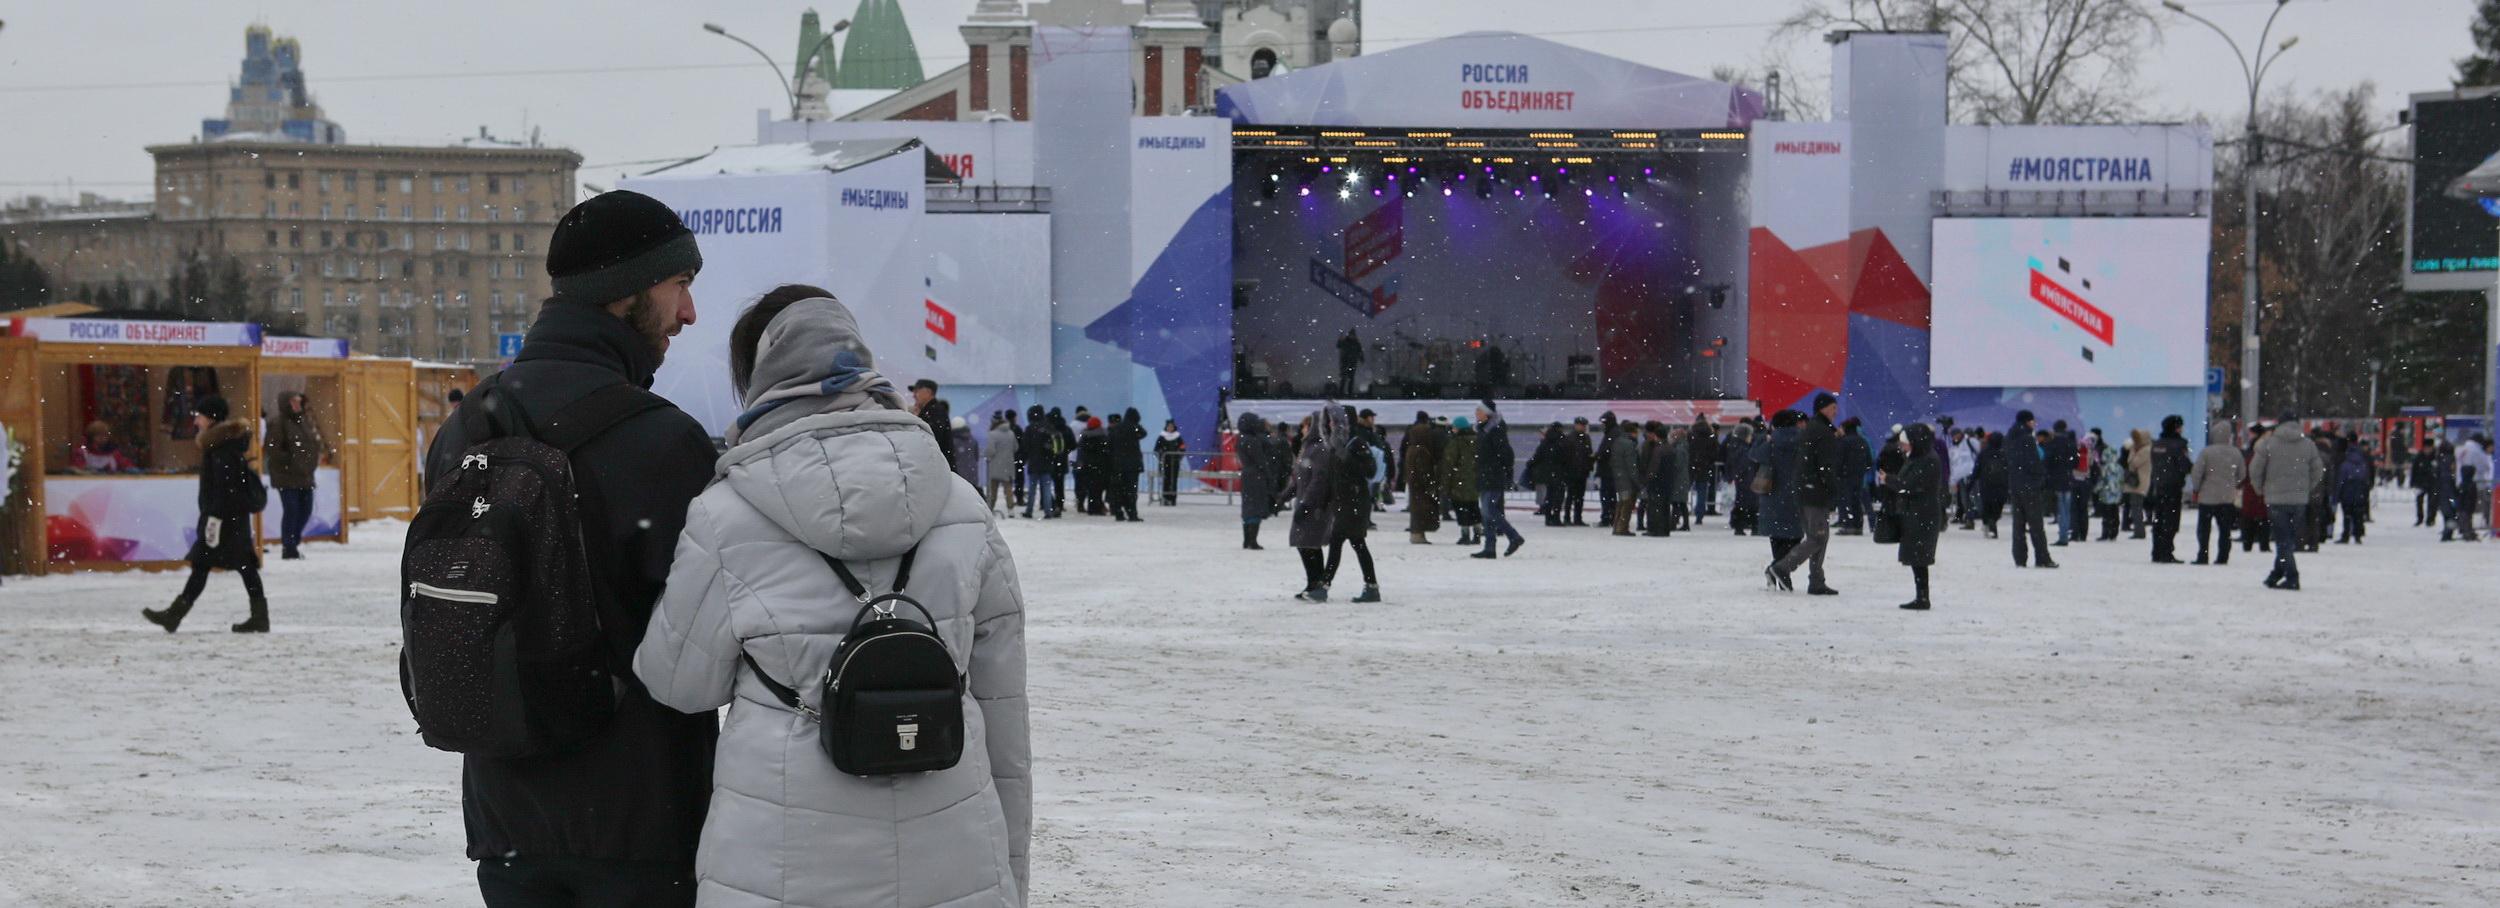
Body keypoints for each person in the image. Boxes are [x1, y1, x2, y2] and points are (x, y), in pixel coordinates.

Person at [633, 291, 1029, 908]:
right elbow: (1004, 712)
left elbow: (680, 684)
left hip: (779, 856)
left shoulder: (725, 515)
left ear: (761, 380)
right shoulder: (960, 506)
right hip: (950, 848)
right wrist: (1011, 873)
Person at [413, 189, 718, 905]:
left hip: (505, 818)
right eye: (680, 287)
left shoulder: (469, 426)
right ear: (626, 293)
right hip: (641, 822)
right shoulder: (662, 439)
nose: (688, 314)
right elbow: (707, 634)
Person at [142, 394, 269, 633]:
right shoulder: (222, 445)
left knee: (220, 565)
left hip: (223, 521)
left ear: (210, 418)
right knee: (233, 566)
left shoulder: (221, 449)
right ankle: (259, 616)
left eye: (199, 416)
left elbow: (225, 489)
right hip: (229, 519)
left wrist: (214, 519)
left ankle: (175, 615)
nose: (196, 421)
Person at [1771, 393, 1841, 596]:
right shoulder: (1822, 432)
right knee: (1817, 537)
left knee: (1820, 536)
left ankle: (1816, 580)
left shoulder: (1811, 429)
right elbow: (1825, 466)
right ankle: (1783, 567)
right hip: (1814, 492)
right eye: (1832, 407)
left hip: (1805, 490)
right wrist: (1832, 489)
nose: (1835, 411)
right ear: (1822, 408)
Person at [2250, 414, 2325, 590]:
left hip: (2275, 498)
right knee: (2288, 538)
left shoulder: (2268, 444)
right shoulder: (2308, 445)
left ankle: (2292, 577)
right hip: (2299, 499)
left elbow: (2255, 470)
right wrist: (2306, 488)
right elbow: (2318, 471)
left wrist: (2260, 488)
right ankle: (2276, 574)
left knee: (2282, 539)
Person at [261, 390, 332, 560]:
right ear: (286, 403)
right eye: (294, 401)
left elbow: (312, 445)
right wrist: (292, 461)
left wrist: (309, 461)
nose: (297, 405)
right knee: (292, 510)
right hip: (287, 476)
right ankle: (289, 546)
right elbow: (273, 449)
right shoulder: (278, 423)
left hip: (305, 475)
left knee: (305, 510)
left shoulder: (303, 422)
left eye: (298, 401)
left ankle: (293, 541)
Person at [1885, 423, 1946, 611]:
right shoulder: (1920, 458)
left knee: (1919, 557)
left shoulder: (1926, 460)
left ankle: (1922, 597)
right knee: (1917, 557)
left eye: (1905, 443)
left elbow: (1910, 485)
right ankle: (1921, 596)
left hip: (1922, 514)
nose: (1902, 447)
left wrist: (1889, 480)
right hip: (1917, 512)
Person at [1757, 410, 1805, 590]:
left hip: (1773, 494)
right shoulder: (1803, 439)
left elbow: (1755, 455)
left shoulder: (1772, 441)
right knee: (1796, 537)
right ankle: (1779, 570)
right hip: (1797, 494)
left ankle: (1776, 570)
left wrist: (1764, 437)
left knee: (1776, 537)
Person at [1471, 400, 1525, 559]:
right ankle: (1490, 547)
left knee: (1489, 510)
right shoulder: (1484, 431)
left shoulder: (1495, 431)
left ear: (1487, 414)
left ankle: (1513, 536)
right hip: (1485, 475)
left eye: (1478, 411)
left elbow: (1506, 454)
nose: (1476, 413)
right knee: (1487, 513)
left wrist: (1503, 472)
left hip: (1493, 476)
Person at [2005, 411, 2057, 568]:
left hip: (2015, 485)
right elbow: (2034, 463)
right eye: (2032, 421)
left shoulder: (2009, 438)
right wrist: (2040, 479)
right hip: (2029, 486)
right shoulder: (2027, 439)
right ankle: (2042, 557)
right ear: (2027, 422)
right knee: (2036, 524)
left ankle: (2019, 558)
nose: (2034, 424)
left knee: (2018, 524)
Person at [2187, 421, 2243, 565]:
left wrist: (2197, 488)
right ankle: (2223, 556)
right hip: (2227, 497)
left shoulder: (2207, 452)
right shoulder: (2235, 452)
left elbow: (2196, 473)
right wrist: (2232, 483)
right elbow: (2242, 474)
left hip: (2207, 497)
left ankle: (2203, 555)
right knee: (2225, 530)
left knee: (2204, 529)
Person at [2147, 415, 2192, 563]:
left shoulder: (2157, 445)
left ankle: (2156, 551)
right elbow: (2184, 466)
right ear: (2176, 428)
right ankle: (2167, 552)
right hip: (2173, 487)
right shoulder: (2178, 445)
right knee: (2170, 521)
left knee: (2158, 520)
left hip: (2158, 486)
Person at [1402, 411, 1445, 544]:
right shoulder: (1422, 451)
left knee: (1416, 508)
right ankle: (1418, 534)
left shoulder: (1412, 449)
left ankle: (1417, 533)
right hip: (1421, 485)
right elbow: (1425, 470)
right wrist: (1430, 482)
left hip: (1414, 483)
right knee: (1422, 508)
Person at [1237, 412, 1278, 549]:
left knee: (1247, 506)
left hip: (1246, 474)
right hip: (1256, 475)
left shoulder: (1241, 438)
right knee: (1256, 507)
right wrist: (1269, 475)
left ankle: (1246, 539)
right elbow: (1260, 461)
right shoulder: (1253, 440)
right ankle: (1252, 540)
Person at [1445, 416, 1483, 547]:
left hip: (1459, 480)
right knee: (1473, 506)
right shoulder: (1478, 440)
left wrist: (1446, 480)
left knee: (1461, 507)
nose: (1453, 429)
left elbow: (1450, 462)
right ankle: (1478, 532)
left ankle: (1465, 534)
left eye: (1454, 427)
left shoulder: (1456, 442)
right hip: (1475, 480)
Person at [1020, 406, 1062, 519]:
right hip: (1047, 464)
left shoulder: (1029, 429)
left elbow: (1025, 446)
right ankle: (1048, 512)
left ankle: (1029, 510)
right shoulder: (1048, 428)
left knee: (1032, 490)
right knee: (1047, 490)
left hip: (1033, 463)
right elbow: (1055, 447)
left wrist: (1024, 459)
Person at [1109, 407, 1147, 521]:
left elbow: (1109, 444)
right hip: (1132, 465)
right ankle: (1132, 513)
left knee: (1118, 489)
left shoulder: (1116, 428)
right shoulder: (1135, 428)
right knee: (1131, 490)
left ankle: (1118, 512)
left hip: (1118, 464)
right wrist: (1135, 424)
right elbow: (1144, 433)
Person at [2335, 439, 2374, 544]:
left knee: (2347, 516)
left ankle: (2346, 535)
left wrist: (2337, 496)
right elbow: (2366, 480)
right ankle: (2357, 535)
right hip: (2359, 494)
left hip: (2347, 494)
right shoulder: (2363, 464)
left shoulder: (2345, 465)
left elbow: (2340, 481)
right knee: (2358, 516)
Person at [909, 379, 955, 467]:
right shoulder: (929, 411)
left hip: (938, 467)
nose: (914, 395)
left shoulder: (935, 412)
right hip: (935, 466)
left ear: (928, 392)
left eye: (916, 391)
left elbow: (930, 439)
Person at [2453, 434, 2490, 541]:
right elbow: (2484, 466)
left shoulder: (2461, 449)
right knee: (2471, 508)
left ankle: (2463, 528)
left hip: (2461, 481)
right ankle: (2468, 530)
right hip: (2475, 482)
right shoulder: (2476, 451)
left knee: (2463, 507)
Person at [1609, 419, 1642, 536]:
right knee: (1627, 504)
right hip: (1627, 480)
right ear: (1633, 431)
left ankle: (1616, 526)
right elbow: (1632, 465)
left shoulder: (1617, 441)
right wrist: (1637, 481)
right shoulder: (1630, 444)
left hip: (1619, 477)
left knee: (1621, 503)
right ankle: (1622, 528)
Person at [69, 420, 139, 473]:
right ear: (91, 437)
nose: (102, 438)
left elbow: (127, 466)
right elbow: (77, 470)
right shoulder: (82, 453)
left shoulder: (114, 453)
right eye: (98, 435)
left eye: (105, 435)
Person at [985, 412, 1020, 515]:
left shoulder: (992, 434)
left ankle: (990, 509)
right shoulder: (1011, 433)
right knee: (1008, 489)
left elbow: (991, 451)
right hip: (1008, 465)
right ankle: (1011, 510)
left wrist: (987, 455)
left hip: (995, 465)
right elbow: (1016, 448)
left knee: (993, 489)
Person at [1077, 415, 1110, 516]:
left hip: (1087, 467)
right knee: (1099, 489)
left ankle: (1092, 508)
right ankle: (1098, 507)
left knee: (1091, 489)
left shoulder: (1084, 437)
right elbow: (1106, 452)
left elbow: (1081, 452)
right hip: (1101, 466)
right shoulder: (1103, 436)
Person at [1564, 417, 1596, 525]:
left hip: (1582, 471)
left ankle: (1577, 518)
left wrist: (1589, 465)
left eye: (1584, 425)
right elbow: (1568, 456)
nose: (1582, 427)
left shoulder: (1585, 438)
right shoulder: (1570, 438)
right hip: (1573, 471)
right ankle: (1568, 517)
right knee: (1571, 496)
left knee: (1579, 497)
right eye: (1581, 425)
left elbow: (1588, 453)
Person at [1689, 417, 1721, 520]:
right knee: (1702, 491)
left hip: (1691, 466)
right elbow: (1715, 453)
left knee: (1685, 490)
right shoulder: (1710, 437)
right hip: (1705, 467)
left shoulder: (1691, 436)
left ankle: (1680, 512)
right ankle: (1699, 515)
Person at [1978, 431, 2008, 538]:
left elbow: (1977, 468)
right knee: (1998, 507)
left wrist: (1971, 482)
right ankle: (1993, 521)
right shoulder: (2005, 452)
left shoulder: (1984, 453)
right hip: (2001, 485)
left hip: (1986, 484)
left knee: (1987, 506)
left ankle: (1989, 523)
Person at [2411, 437, 2443, 526]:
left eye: (2429, 448)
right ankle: (2420, 518)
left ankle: (2430, 519)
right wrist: (2413, 483)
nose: (2427, 450)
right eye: (2425, 448)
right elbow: (2414, 470)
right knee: (2419, 501)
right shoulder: (2419, 457)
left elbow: (2439, 470)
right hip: (2420, 482)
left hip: (2433, 482)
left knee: (2432, 502)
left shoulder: (2436, 457)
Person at [1153, 419, 1186, 506]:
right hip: (1165, 462)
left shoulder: (1178, 437)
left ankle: (1173, 498)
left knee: (1174, 481)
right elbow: (1156, 449)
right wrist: (1161, 455)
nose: (1170, 428)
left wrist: (1179, 455)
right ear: (1166, 427)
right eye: (1169, 426)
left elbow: (1183, 448)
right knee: (1166, 480)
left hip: (1174, 462)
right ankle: (1166, 497)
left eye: (1171, 426)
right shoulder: (1162, 437)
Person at [1337, 329, 1364, 395]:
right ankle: (1341, 392)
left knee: (1350, 378)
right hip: (1345, 361)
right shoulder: (1346, 341)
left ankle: (1349, 392)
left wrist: (1361, 358)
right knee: (1344, 377)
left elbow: (1360, 351)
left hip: (1352, 362)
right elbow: (1338, 345)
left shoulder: (1356, 343)